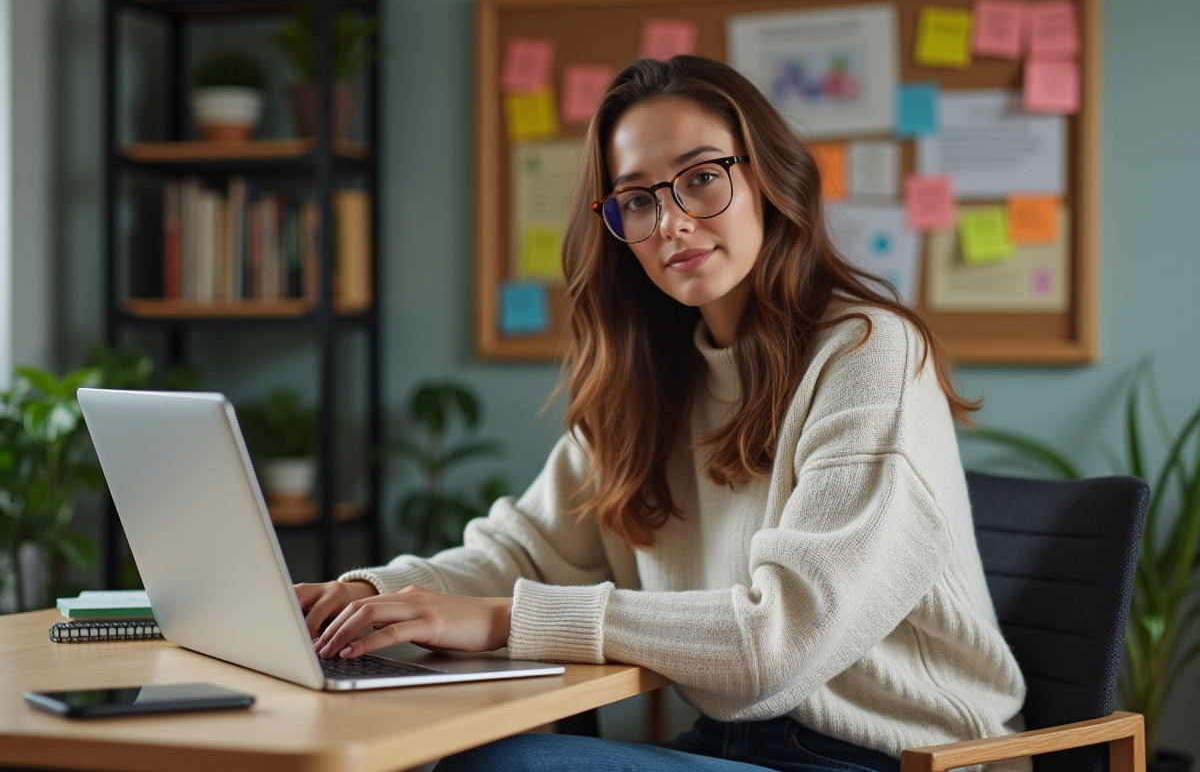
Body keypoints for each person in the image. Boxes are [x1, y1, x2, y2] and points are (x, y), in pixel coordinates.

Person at [295, 55, 1028, 772]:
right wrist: (369, 594)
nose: (670, 222)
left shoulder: (869, 354)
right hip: (730, 743)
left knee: (509, 766)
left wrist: (505, 618)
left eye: (702, 178)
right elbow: (520, 554)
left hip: (897, 756)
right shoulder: (648, 379)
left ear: (772, 177)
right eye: (639, 199)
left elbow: (779, 643)